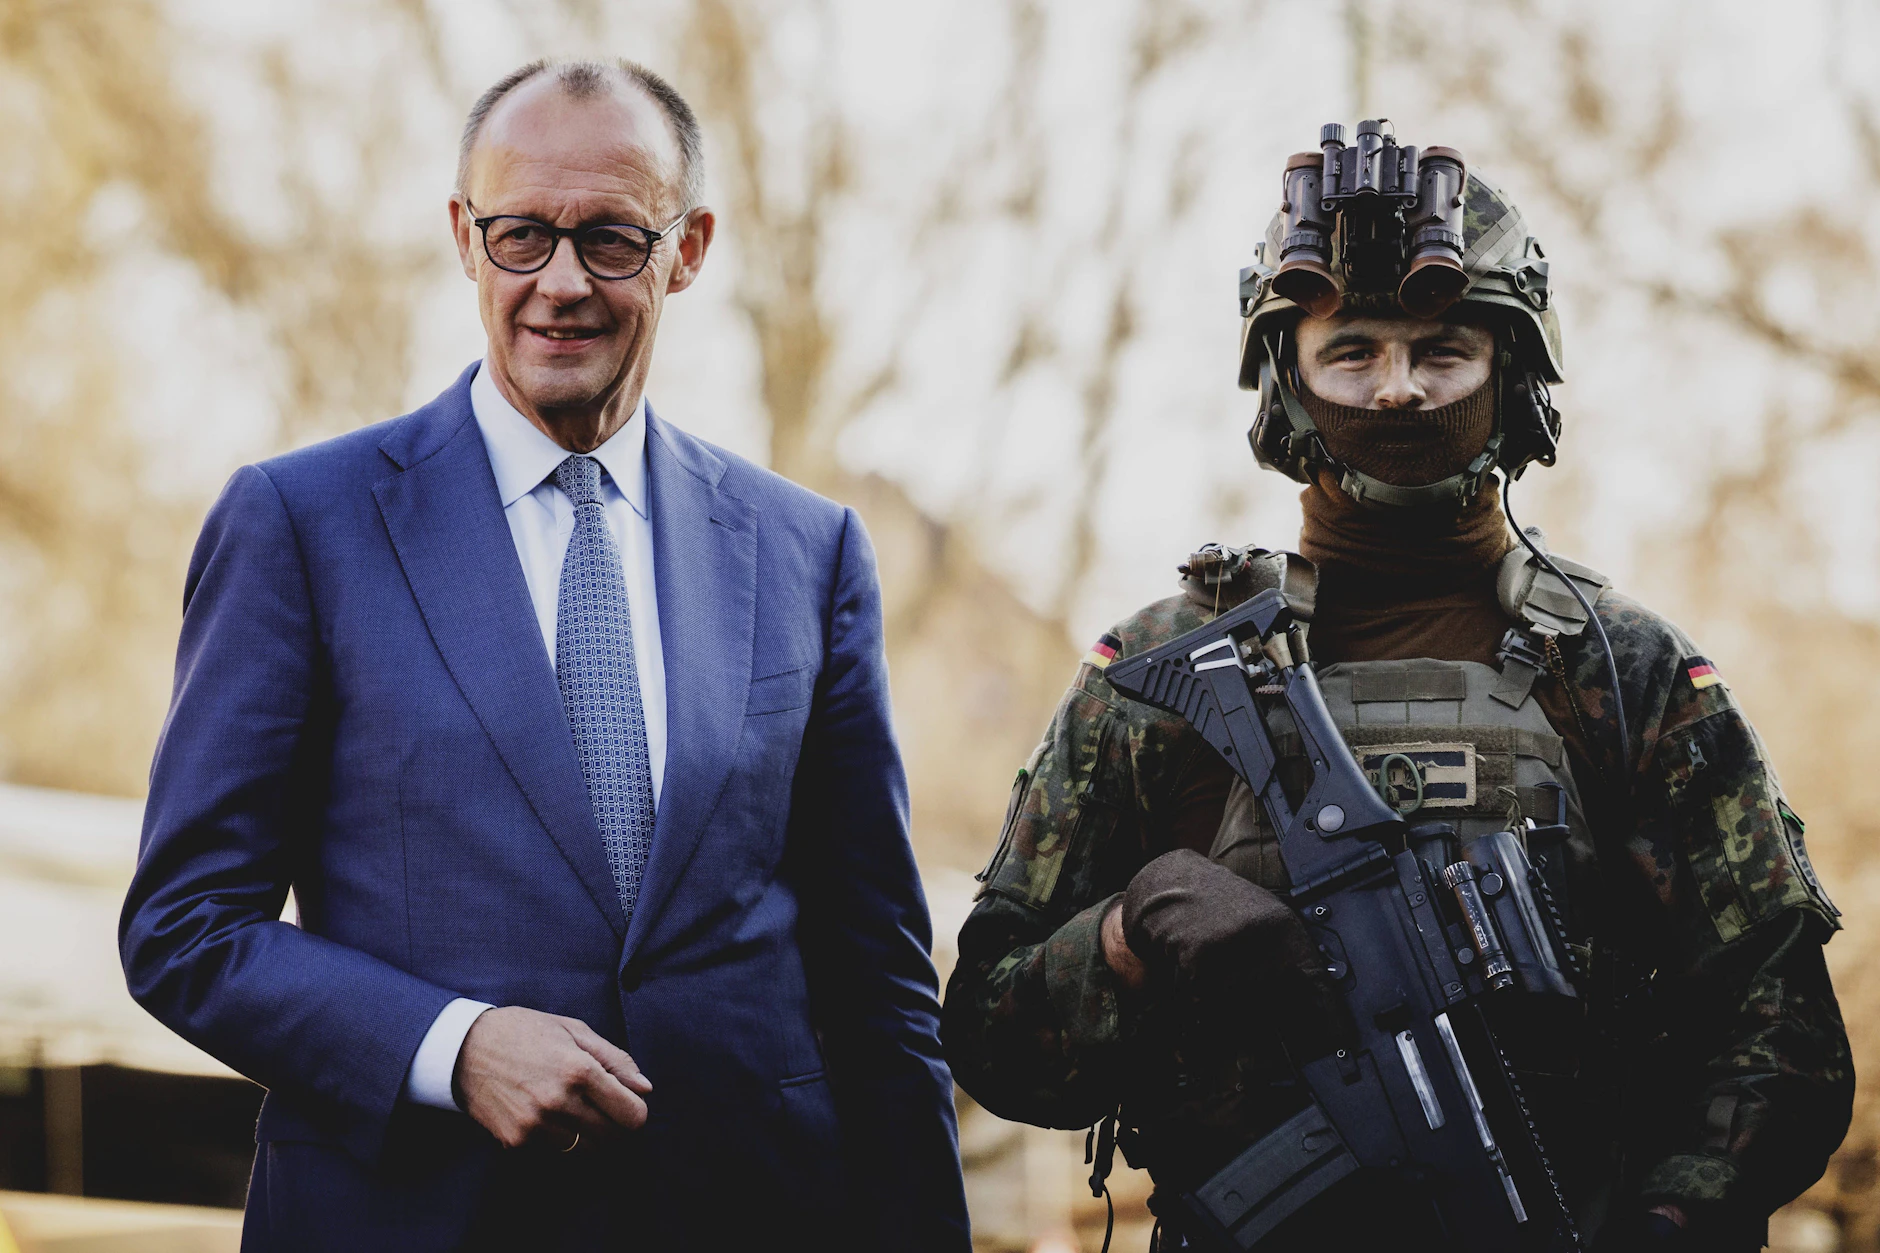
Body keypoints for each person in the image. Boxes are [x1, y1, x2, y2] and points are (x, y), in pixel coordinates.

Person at [942, 127, 1851, 1252]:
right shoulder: (1160, 676)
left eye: (1441, 349)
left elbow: (1780, 1028)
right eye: (1352, 351)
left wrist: (1671, 1217)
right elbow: (986, 1035)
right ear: (1289, 377)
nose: (1399, 391)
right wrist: (1129, 933)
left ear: (1506, 370)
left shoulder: (1625, 671)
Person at [120, 58, 968, 1251]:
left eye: (612, 239)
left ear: (689, 248)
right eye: (521, 235)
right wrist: (451, 1042)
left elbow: (875, 973)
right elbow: (186, 926)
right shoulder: (301, 523)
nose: (560, 283)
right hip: (411, 1216)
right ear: (464, 238)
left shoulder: (805, 549)